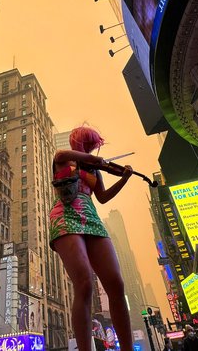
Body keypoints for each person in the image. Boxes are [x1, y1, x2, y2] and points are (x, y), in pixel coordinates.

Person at [49, 126, 133, 351]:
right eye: (89, 144)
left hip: (92, 217)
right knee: (84, 282)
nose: (92, 149)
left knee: (116, 283)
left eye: (92, 146)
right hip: (65, 216)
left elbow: (103, 198)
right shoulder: (64, 159)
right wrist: (97, 161)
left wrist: (123, 178)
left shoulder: (95, 170)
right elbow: (60, 155)